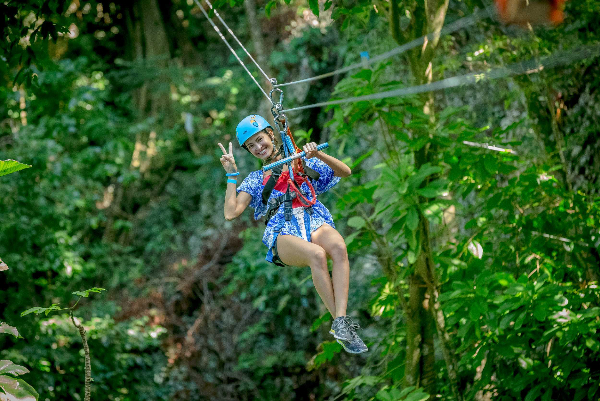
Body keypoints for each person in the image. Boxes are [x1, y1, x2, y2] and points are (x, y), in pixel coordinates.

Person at [218, 114, 367, 354]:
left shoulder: (300, 161)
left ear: (271, 134)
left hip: (312, 218)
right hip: (283, 230)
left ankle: (341, 322)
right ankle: (338, 321)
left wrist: (317, 154)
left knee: (339, 247)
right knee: (317, 255)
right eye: (251, 146)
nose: (258, 147)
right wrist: (232, 175)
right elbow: (230, 213)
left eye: (260, 139)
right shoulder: (256, 179)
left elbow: (345, 171)